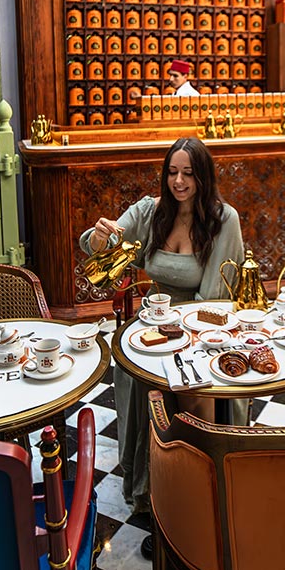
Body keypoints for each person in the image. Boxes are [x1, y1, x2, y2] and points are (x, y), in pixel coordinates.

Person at [80, 137, 244, 537]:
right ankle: (150, 492)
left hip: (203, 327)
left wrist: (178, 335)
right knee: (141, 379)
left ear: (203, 175)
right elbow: (97, 245)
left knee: (187, 389)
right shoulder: (150, 211)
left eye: (188, 173)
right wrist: (100, 238)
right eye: (172, 172)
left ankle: (194, 493)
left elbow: (215, 297)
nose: (179, 181)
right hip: (152, 323)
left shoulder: (224, 220)